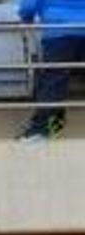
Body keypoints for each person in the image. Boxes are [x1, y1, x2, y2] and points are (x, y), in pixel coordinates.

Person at [17, 0, 85, 142]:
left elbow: (28, 6)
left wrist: (26, 19)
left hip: (58, 30)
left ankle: (42, 129)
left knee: (54, 79)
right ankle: (56, 119)